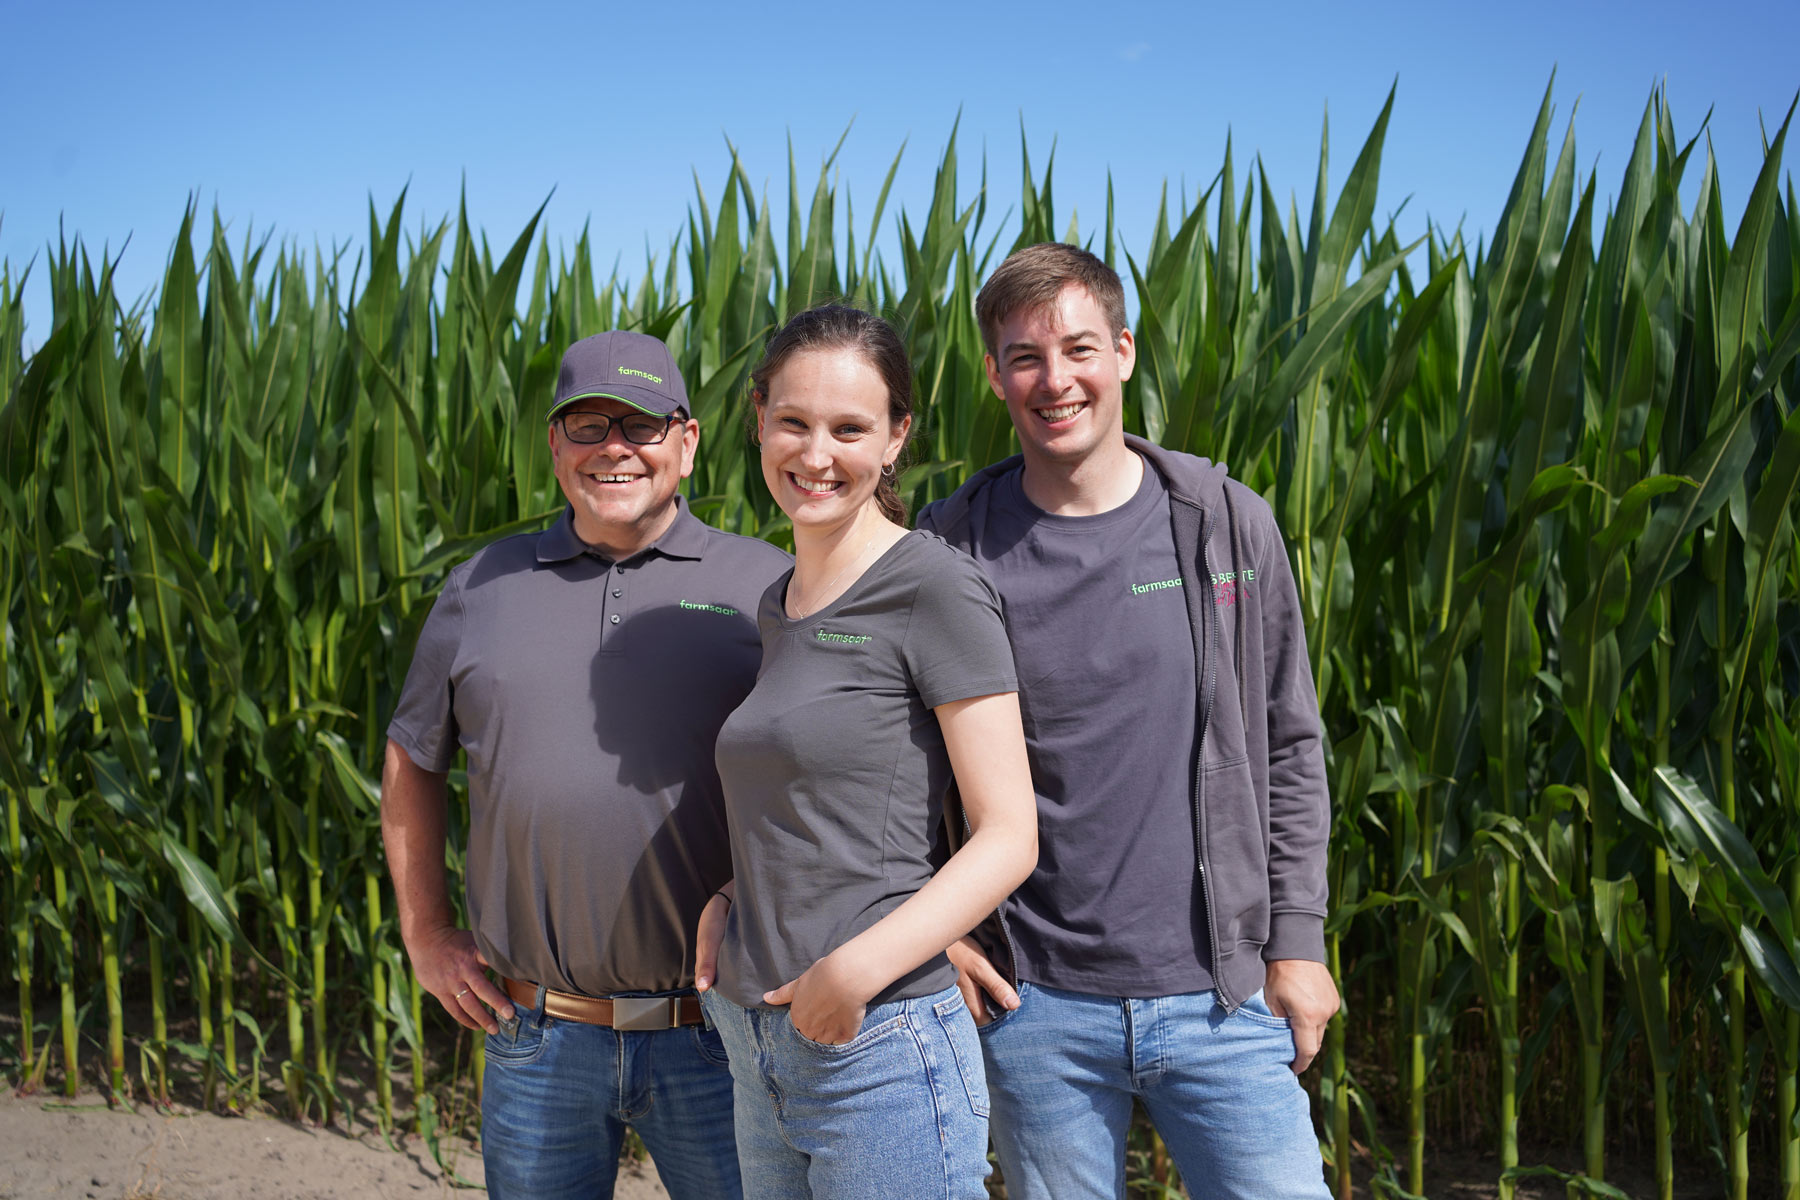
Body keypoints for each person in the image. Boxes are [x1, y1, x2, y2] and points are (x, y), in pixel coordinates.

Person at [916, 242, 1338, 1200]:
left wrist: (1299, 942)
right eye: (1025, 357)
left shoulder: (1224, 524)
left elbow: (1288, 743)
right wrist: (933, 931)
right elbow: (889, 765)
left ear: (1126, 352)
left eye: (1078, 349)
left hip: (1223, 997)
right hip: (1034, 1006)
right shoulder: (949, 550)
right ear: (992, 375)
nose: (1054, 380)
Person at [381, 330, 791, 1200]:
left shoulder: (771, 587)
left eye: (640, 426)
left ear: (687, 441)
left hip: (717, 1032)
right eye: (587, 423)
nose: (614, 446)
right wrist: (424, 933)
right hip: (536, 1034)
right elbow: (412, 758)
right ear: (555, 445)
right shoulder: (481, 586)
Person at [691, 304, 1038, 1200]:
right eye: (793, 422)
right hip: (755, 1035)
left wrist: (854, 972)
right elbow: (819, 794)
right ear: (758, 418)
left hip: (874, 1043)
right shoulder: (781, 602)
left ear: (895, 439)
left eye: (849, 428)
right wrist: (736, 892)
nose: (815, 455)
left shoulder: (934, 587)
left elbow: (1008, 834)